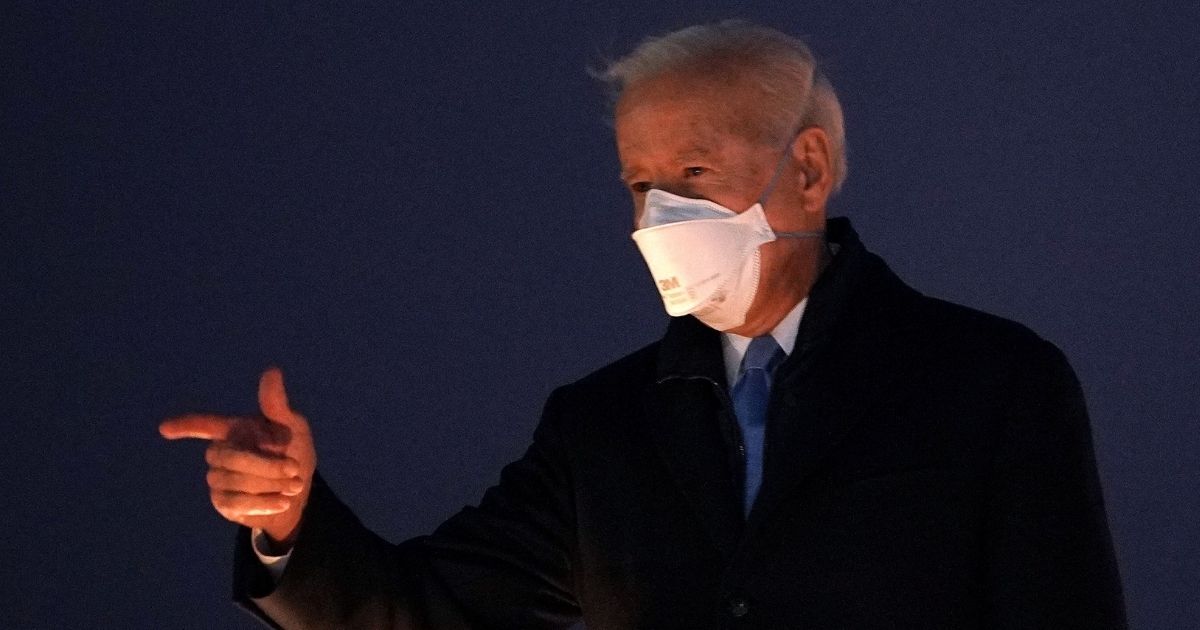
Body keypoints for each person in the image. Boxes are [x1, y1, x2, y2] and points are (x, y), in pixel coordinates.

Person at [161, 20, 1127, 629]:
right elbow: (422, 610)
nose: (657, 214)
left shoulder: (990, 383)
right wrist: (288, 520)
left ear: (808, 168)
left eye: (693, 175)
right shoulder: (603, 427)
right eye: (639, 183)